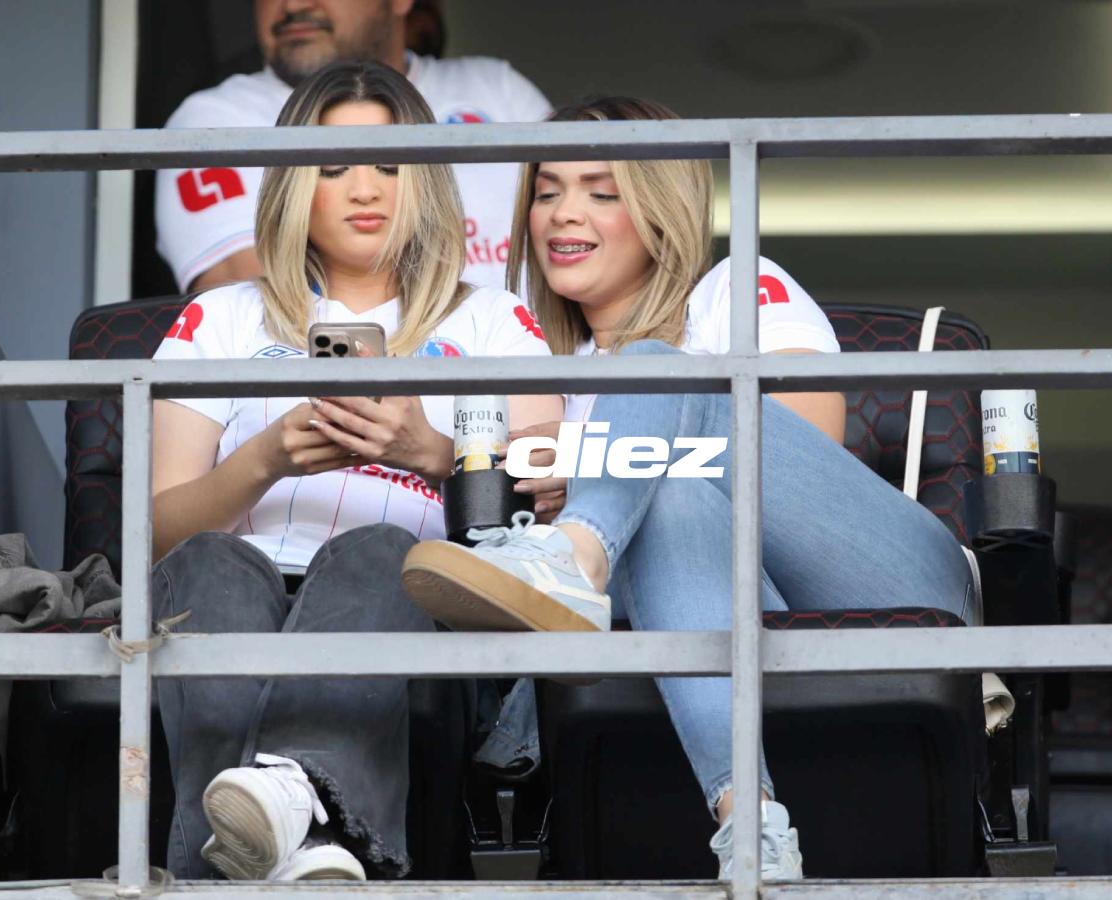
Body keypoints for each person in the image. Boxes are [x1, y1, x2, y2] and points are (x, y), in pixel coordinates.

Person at [401, 96, 976, 880]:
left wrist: (605, 469)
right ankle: (751, 821)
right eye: (546, 191)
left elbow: (806, 437)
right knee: (668, 499)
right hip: (719, 615)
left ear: (663, 210)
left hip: (872, 586)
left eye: (603, 192)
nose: (565, 212)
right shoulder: (539, 377)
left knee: (661, 379)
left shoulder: (731, 289)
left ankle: (579, 557)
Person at [150, 60, 560, 882]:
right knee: (208, 560)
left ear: (427, 184)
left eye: (390, 165)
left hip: (408, 597)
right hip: (242, 585)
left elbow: (545, 501)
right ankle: (314, 846)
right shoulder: (220, 318)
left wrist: (425, 452)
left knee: (380, 552)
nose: (365, 189)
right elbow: (155, 528)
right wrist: (264, 460)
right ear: (293, 187)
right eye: (334, 168)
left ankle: (255, 835)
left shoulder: (493, 320)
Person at [155, 0, 550, 295]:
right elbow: (252, 293)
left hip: (521, 380)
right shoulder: (214, 119)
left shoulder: (499, 89)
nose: (293, 6)